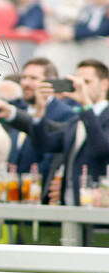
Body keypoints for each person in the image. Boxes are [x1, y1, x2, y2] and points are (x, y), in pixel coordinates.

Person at [29, 59, 109, 205]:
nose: (81, 88)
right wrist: (39, 111)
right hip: (71, 204)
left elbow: (101, 149)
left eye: (87, 82)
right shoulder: (76, 120)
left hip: (99, 207)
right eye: (78, 83)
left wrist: (86, 105)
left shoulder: (97, 115)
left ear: (104, 84)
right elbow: (43, 145)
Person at [0, 57, 77, 195]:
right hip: (12, 202)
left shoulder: (65, 114)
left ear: (51, 82)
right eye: (24, 77)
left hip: (38, 203)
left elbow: (49, 164)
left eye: (33, 78)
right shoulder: (18, 113)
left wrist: (14, 187)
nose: (26, 83)